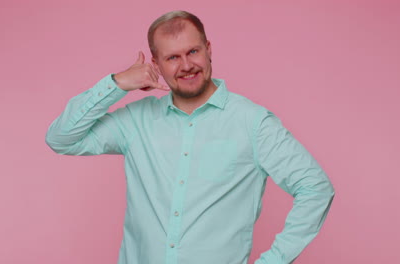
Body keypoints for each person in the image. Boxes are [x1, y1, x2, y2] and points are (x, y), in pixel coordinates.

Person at [45, 10, 335, 264]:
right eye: (172, 57)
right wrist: (118, 83)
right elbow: (61, 138)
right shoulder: (136, 121)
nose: (186, 66)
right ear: (156, 65)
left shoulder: (253, 122)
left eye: (193, 51)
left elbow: (315, 188)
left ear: (208, 49)